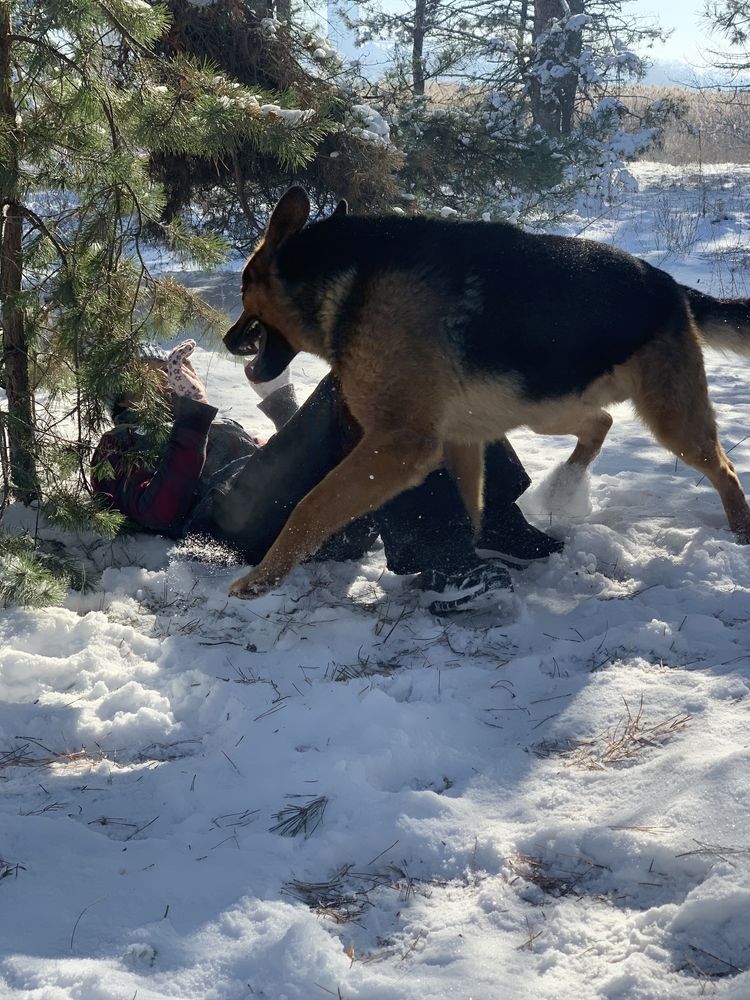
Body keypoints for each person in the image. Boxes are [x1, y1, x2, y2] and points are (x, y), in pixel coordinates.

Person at [92, 341, 563, 612]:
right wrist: (190, 415)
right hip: (226, 527)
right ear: (129, 394)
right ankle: (443, 558)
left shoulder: (215, 426)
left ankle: (491, 520)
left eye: (182, 373)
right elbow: (160, 509)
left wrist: (279, 403)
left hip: (310, 528)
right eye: (163, 376)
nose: (179, 379)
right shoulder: (118, 446)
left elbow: (300, 459)